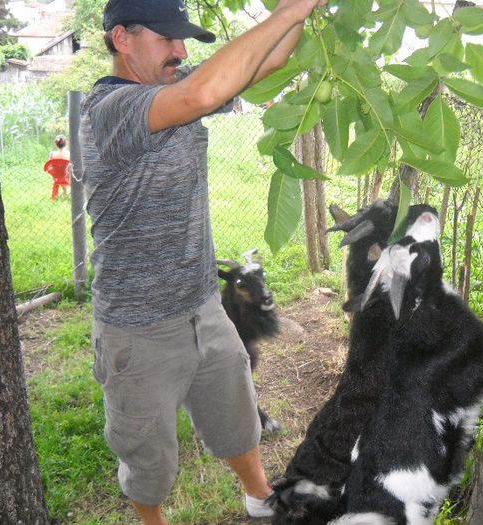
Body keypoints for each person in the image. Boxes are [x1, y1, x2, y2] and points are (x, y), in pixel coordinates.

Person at [79, 0, 326, 523]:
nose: (180, 50)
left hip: (201, 307)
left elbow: (269, 61)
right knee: (148, 459)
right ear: (121, 38)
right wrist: (289, 12)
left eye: (183, 39)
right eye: (167, 38)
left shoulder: (170, 89)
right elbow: (204, 91)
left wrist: (297, 11)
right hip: (138, 329)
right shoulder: (110, 109)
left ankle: (261, 500)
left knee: (237, 417)